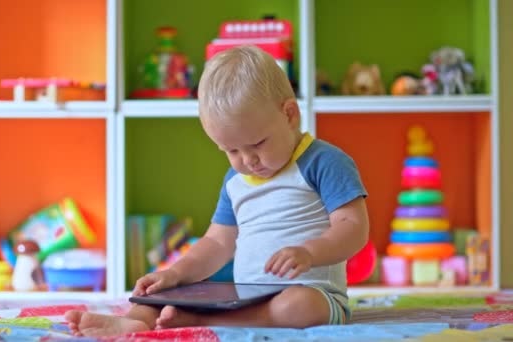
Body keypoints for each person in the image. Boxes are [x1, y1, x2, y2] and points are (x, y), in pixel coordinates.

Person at [65, 45, 370, 337]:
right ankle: (133, 321)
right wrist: (174, 273)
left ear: (289, 115)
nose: (248, 161)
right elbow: (216, 242)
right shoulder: (235, 181)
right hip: (244, 296)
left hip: (312, 292)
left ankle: (203, 321)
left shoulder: (324, 161)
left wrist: (310, 252)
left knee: (298, 307)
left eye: (258, 144)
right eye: (231, 150)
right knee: (164, 291)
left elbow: (353, 227)